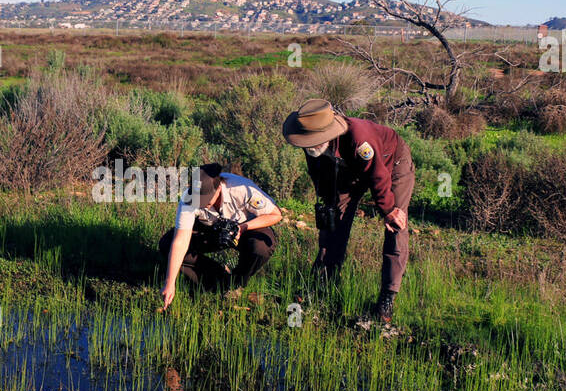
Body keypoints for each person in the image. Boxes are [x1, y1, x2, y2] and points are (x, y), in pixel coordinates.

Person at [281, 99, 414, 323]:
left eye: (313, 142)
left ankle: (387, 297)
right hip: (347, 170)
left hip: (391, 163)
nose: (309, 146)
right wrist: (327, 203)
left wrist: (388, 209)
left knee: (396, 224)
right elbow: (318, 173)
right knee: (334, 222)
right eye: (306, 142)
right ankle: (323, 280)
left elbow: (377, 175)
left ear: (328, 134)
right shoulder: (311, 139)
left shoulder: (359, 139)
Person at [158, 163, 282, 311]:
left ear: (219, 188)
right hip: (209, 230)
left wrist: (242, 228)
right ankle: (219, 280)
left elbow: (276, 215)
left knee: (261, 247)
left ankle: (237, 283)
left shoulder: (241, 188)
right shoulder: (188, 199)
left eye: (206, 200)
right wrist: (170, 282)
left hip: (245, 228)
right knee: (167, 244)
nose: (202, 204)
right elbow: (180, 241)